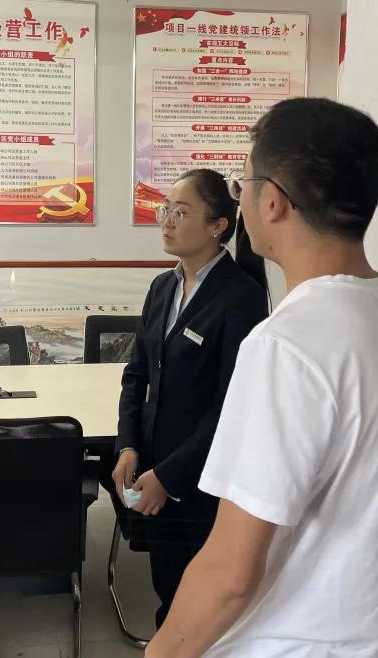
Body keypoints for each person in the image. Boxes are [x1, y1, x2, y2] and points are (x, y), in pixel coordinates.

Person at [145, 98, 378, 658]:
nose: (240, 200)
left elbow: (230, 571)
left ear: (273, 201)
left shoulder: (287, 343)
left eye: (243, 184)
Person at [111, 168, 268, 629]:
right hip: (154, 470)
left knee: (205, 605)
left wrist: (170, 476)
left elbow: (231, 406)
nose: (166, 221)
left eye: (180, 212)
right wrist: (127, 446)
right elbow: (137, 375)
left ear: (218, 225)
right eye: (165, 210)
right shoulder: (163, 287)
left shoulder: (241, 297)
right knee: (168, 590)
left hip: (203, 481)